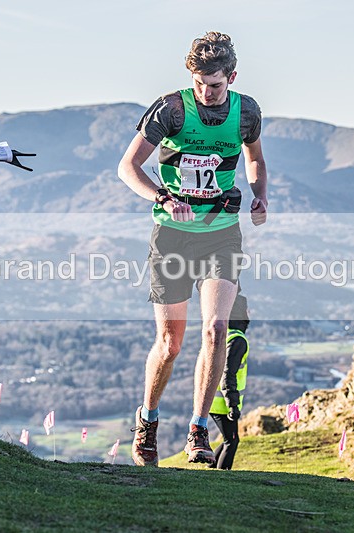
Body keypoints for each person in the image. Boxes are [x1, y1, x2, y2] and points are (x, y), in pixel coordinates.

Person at [119, 31, 268, 466]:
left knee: (215, 330)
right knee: (171, 342)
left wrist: (260, 194)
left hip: (222, 230)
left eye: (216, 85)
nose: (206, 93)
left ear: (232, 77)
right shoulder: (170, 109)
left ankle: (198, 430)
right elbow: (128, 167)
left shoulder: (246, 111)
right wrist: (162, 197)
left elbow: (255, 157)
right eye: (200, 83)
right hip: (173, 235)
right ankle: (147, 420)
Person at [208, 293, 250, 470]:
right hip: (223, 403)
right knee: (231, 442)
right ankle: (221, 477)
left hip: (212, 400)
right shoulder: (237, 340)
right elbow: (228, 374)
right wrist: (232, 404)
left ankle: (211, 472)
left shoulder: (225, 334)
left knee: (228, 440)